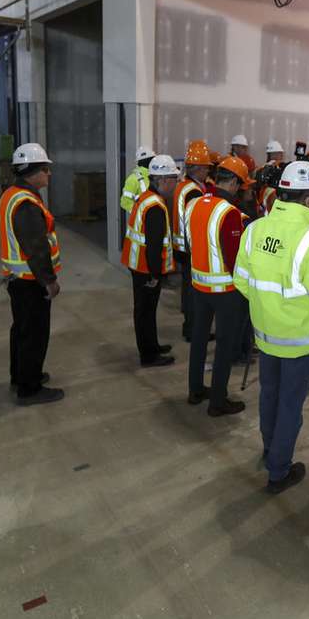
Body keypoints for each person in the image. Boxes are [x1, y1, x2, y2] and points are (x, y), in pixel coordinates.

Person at [233, 161, 309, 494]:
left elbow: (241, 280)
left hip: (265, 336)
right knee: (289, 407)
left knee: (269, 397)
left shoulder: (255, 229)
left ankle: (270, 452)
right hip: (298, 341)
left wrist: (268, 310)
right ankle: (279, 470)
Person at [0, 143, 65, 406]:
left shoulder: (11, 194)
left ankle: (22, 376)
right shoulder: (25, 203)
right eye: (45, 170)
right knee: (34, 334)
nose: (49, 174)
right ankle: (30, 388)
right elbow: (36, 247)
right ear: (33, 172)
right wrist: (49, 281)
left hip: (19, 279)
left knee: (22, 331)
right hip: (30, 281)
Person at [185, 156, 252, 416]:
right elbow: (234, 259)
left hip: (198, 286)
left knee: (199, 339)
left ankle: (195, 390)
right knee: (224, 345)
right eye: (240, 185)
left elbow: (191, 244)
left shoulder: (194, 204)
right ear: (233, 182)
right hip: (225, 292)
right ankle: (218, 402)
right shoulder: (229, 213)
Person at [122, 154, 180, 367]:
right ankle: (149, 355)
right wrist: (156, 274)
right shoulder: (155, 205)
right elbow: (154, 246)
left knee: (146, 311)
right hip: (146, 269)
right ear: (162, 180)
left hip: (138, 265)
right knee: (145, 313)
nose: (176, 183)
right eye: (173, 178)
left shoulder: (146, 198)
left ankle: (152, 346)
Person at [173, 140, 211, 343]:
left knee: (188, 289)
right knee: (193, 292)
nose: (207, 172)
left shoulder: (184, 185)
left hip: (181, 246)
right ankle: (194, 330)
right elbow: (196, 222)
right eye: (206, 168)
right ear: (197, 168)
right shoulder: (194, 191)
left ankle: (190, 327)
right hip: (189, 248)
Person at [120, 145, 154, 213]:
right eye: (151, 159)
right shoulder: (133, 179)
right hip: (141, 221)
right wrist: (139, 213)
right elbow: (125, 202)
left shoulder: (155, 176)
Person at [255, 140, 286, 214]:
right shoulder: (266, 169)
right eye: (279, 153)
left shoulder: (262, 168)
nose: (281, 155)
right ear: (272, 154)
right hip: (269, 200)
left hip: (265, 202)